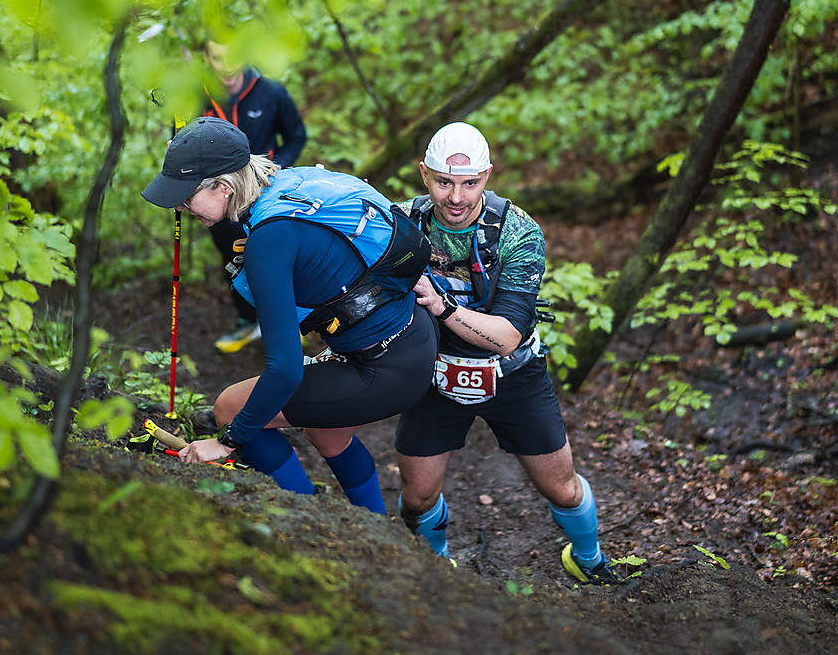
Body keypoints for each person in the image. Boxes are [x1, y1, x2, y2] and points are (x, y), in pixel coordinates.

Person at [141, 117, 436, 513]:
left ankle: (311, 517)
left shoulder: (269, 239)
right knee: (327, 434)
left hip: (383, 368)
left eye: (185, 195)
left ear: (224, 188)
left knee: (231, 408)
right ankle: (374, 523)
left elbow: (285, 369)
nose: (179, 205)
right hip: (412, 338)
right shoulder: (285, 186)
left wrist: (225, 442)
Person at [393, 122, 620, 584]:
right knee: (417, 496)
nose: (456, 197)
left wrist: (442, 305)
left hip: (511, 372)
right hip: (434, 374)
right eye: (444, 182)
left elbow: (510, 332)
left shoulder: (518, 232)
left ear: (488, 176)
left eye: (470, 183)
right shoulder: (401, 222)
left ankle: (588, 557)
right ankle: (438, 566)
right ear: (424, 174)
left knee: (562, 487)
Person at [196, 40, 308, 353]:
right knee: (233, 258)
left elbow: (296, 135)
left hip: (265, 194)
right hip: (217, 198)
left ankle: (293, 321)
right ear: (206, 58)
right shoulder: (194, 97)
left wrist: (274, 168)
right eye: (218, 57)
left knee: (278, 257)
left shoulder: (269, 91)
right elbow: (183, 143)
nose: (228, 64)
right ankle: (249, 321)